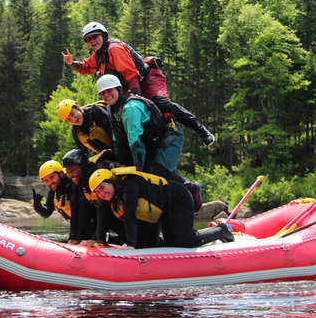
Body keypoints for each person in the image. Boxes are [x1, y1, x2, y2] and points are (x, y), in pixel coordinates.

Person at [61, 21, 215, 146]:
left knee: (160, 103)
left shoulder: (114, 49)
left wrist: (136, 97)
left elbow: (130, 73)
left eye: (95, 37)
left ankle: (200, 129)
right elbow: (86, 67)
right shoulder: (98, 55)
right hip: (132, 84)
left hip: (148, 80)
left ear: (103, 35)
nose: (92, 41)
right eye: (88, 39)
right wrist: (71, 62)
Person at [96, 73, 204, 212]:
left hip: (170, 135)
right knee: (149, 171)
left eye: (109, 91)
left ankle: (192, 188)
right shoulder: (111, 109)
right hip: (153, 141)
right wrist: (119, 163)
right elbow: (118, 139)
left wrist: (139, 173)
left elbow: (135, 142)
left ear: (119, 89)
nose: (106, 95)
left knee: (159, 171)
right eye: (103, 93)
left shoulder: (130, 108)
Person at [87, 167, 234, 249]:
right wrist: (97, 240)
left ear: (111, 181)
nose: (102, 193)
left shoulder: (128, 185)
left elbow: (130, 215)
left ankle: (222, 230)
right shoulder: (114, 198)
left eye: (102, 188)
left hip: (178, 199)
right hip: (164, 213)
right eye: (98, 192)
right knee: (171, 246)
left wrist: (131, 246)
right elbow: (104, 218)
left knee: (186, 242)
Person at [32, 160, 77, 243]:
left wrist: (73, 237)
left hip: (91, 229)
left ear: (61, 174)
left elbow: (79, 215)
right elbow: (47, 213)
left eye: (52, 177)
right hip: (79, 231)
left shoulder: (73, 187)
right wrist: (38, 207)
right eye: (46, 180)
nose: (50, 183)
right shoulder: (54, 191)